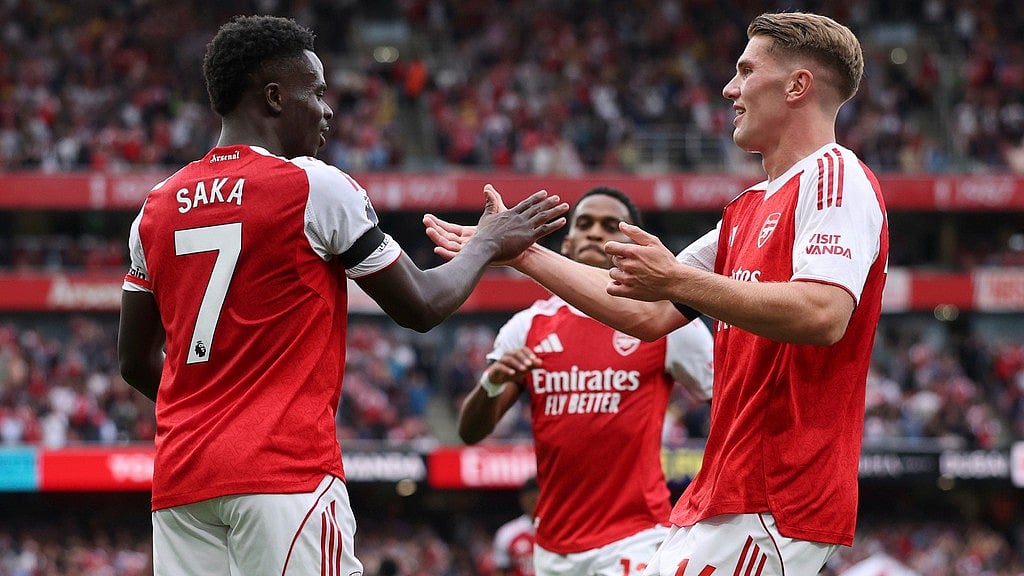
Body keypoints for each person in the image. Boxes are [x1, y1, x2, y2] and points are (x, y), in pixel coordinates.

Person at [424, 11, 888, 576]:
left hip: (777, 496)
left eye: (746, 71)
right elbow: (644, 312)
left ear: (797, 86)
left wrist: (678, 279)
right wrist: (522, 253)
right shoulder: (744, 210)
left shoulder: (836, 178)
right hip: (722, 495)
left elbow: (824, 313)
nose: (730, 88)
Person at [116, 15, 567, 576]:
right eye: (317, 93)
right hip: (284, 472)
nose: (327, 110)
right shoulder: (314, 185)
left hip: (182, 481)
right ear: (275, 97)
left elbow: (134, 361)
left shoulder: (155, 207)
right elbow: (422, 305)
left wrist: (211, 410)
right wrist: (487, 244)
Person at [459, 187, 714, 576]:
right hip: (553, 547)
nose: (595, 232)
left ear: (633, 248)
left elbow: (728, 400)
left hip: (636, 536)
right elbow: (470, 432)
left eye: (610, 225)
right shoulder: (526, 327)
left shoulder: (667, 325)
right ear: (567, 242)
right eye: (585, 224)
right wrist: (492, 383)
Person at [492, 476, 540, 576]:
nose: (535, 503)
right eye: (531, 499)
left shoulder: (560, 531)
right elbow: (501, 570)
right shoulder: (507, 533)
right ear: (522, 500)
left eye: (537, 498)